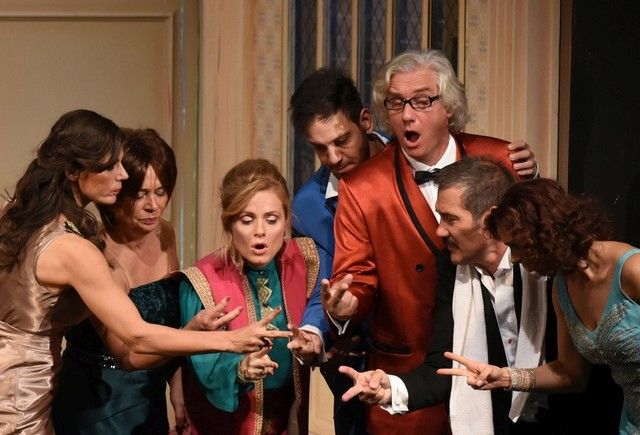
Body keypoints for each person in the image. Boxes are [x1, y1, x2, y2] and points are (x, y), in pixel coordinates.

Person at [0, 110, 290, 434]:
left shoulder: (25, 217)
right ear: (73, 171)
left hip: (39, 386)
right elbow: (135, 338)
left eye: (161, 191)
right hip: (36, 399)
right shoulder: (75, 247)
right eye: (111, 166)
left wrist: (187, 350)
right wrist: (231, 340)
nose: (122, 174)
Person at [322, 49, 537, 434]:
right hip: (410, 370)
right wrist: (345, 304)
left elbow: (534, 247)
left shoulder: (501, 159)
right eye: (396, 102)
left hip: (497, 367)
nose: (407, 114)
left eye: (422, 101)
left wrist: (533, 177)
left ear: (449, 107)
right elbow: (355, 277)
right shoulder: (361, 186)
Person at [339, 157, 550, 435]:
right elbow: (446, 365)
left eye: (450, 219)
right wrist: (392, 388)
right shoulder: (450, 268)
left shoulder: (543, 265)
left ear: (490, 219)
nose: (439, 230)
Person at [437, 178, 640, 435]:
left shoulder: (633, 270)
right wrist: (505, 377)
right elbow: (570, 374)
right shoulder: (562, 288)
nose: (514, 258)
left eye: (516, 246)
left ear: (545, 232)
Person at [52, 128, 207, 433]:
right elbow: (126, 352)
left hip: (149, 394)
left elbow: (172, 320)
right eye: (139, 194)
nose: (153, 205)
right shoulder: (92, 248)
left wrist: (177, 388)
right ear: (116, 192)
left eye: (161, 192)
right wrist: (200, 337)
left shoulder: (164, 234)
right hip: (97, 402)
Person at [178, 158, 323, 435]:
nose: (260, 232)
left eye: (272, 220)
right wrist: (241, 368)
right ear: (229, 223)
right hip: (230, 423)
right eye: (246, 220)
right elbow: (203, 364)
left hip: (292, 419)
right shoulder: (203, 280)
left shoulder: (305, 260)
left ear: (286, 221)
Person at [290, 67, 388, 435]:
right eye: (320, 148)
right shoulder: (310, 205)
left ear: (365, 121)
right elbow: (324, 285)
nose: (332, 157)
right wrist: (314, 332)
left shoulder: (410, 160)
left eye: (342, 140)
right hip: (360, 361)